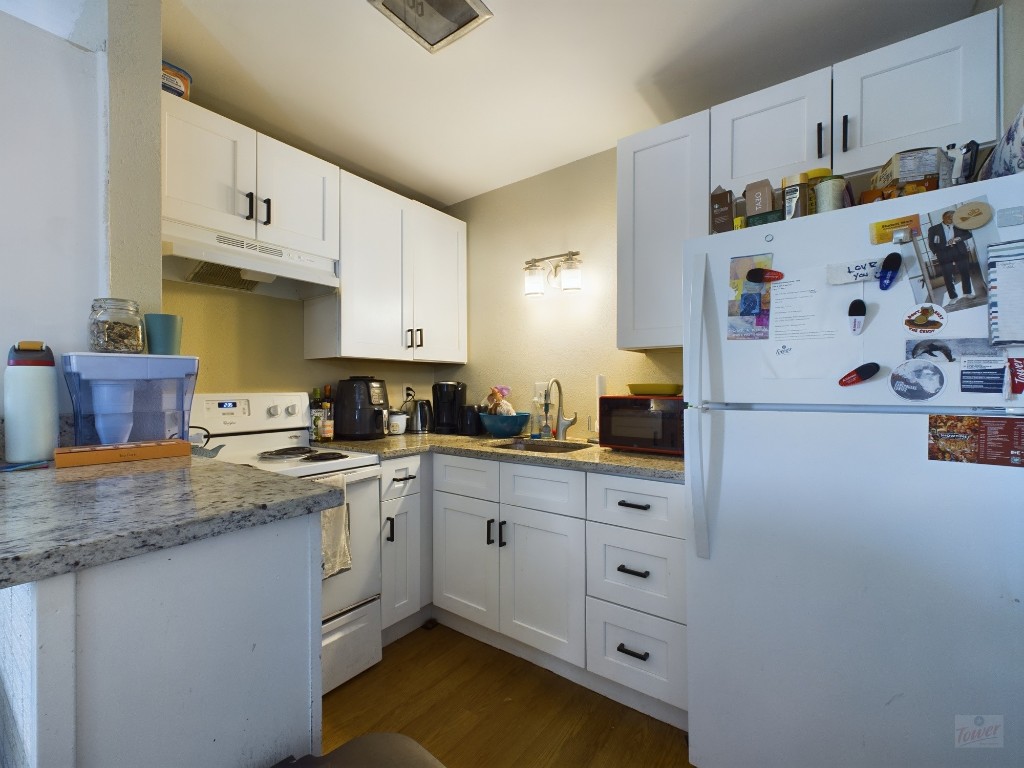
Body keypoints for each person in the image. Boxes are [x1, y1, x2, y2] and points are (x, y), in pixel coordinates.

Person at [927, 211, 974, 303]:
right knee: (947, 276)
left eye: (953, 217)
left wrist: (959, 238)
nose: (951, 219)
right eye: (949, 217)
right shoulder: (933, 229)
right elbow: (931, 243)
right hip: (944, 253)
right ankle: (953, 297)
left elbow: (969, 234)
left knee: (965, 272)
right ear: (943, 218)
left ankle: (967, 293)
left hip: (959, 250)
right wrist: (937, 252)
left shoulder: (959, 225)